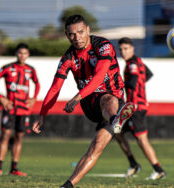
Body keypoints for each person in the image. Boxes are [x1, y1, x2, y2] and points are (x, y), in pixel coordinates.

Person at [32, 15, 134, 188]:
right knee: (107, 99)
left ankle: (67, 185)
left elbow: (99, 76)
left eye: (80, 32)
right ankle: (116, 120)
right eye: (72, 34)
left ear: (88, 30)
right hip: (91, 103)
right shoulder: (68, 58)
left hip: (110, 100)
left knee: (96, 148)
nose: (77, 37)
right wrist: (42, 114)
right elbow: (55, 88)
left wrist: (76, 97)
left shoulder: (103, 46)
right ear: (66, 35)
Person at [116, 37, 166, 180]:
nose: (123, 52)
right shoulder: (138, 62)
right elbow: (148, 74)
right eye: (121, 49)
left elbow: (132, 83)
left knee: (142, 140)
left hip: (136, 108)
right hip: (131, 108)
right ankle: (133, 164)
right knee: (117, 132)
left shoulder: (133, 64)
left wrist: (117, 83)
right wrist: (140, 86)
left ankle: (159, 170)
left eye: (125, 49)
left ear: (132, 48)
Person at [0, 43, 40, 176]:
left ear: (28, 55)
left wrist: (34, 98)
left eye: (25, 53)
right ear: (16, 54)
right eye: (20, 53)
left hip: (24, 110)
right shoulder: (7, 68)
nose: (22, 56)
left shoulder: (31, 70)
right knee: (5, 135)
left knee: (19, 136)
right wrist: (1, 98)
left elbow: (37, 84)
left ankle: (14, 168)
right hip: (10, 108)